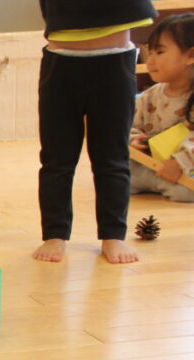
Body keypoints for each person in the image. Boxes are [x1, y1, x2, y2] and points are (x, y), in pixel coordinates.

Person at [33, 0, 157, 264]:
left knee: (111, 157)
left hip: (114, 60)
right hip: (61, 62)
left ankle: (113, 234)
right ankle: (55, 233)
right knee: (56, 158)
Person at [130, 13, 194, 202]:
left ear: (191, 56)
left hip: (185, 167)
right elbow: (130, 125)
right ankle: (156, 182)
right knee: (116, 170)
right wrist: (134, 140)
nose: (150, 61)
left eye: (159, 52)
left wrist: (180, 161)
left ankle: (159, 183)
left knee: (185, 191)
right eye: (149, 53)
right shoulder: (150, 95)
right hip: (153, 165)